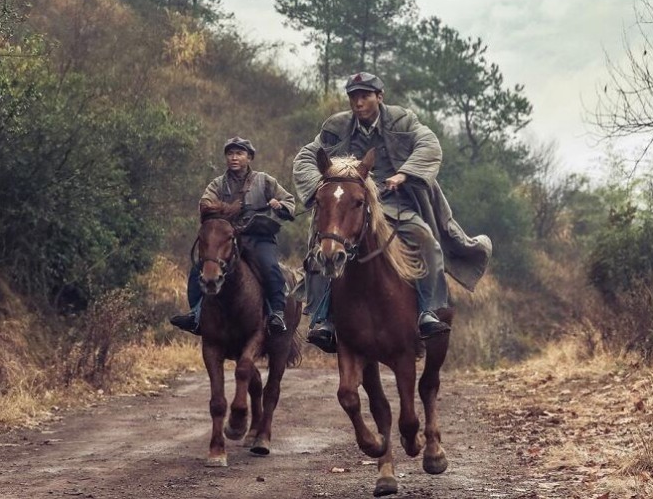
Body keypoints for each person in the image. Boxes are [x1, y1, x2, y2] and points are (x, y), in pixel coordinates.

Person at [292, 72, 492, 352]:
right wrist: (318, 188)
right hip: (352, 207)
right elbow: (305, 157)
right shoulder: (336, 126)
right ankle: (323, 318)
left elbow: (428, 144)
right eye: (353, 97)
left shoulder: (402, 120)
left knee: (428, 242)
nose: (358, 102)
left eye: (365, 96)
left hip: (396, 206)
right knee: (322, 248)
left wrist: (404, 174)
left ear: (379, 97)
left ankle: (427, 311)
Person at [170, 136, 296, 336]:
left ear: (249, 157)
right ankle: (195, 314)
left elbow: (289, 201)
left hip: (258, 238)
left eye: (239, 153)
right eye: (230, 154)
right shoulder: (218, 184)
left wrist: (279, 206)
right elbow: (205, 205)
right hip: (226, 241)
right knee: (198, 269)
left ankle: (277, 313)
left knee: (270, 267)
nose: (234, 158)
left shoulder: (264, 181)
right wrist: (230, 209)